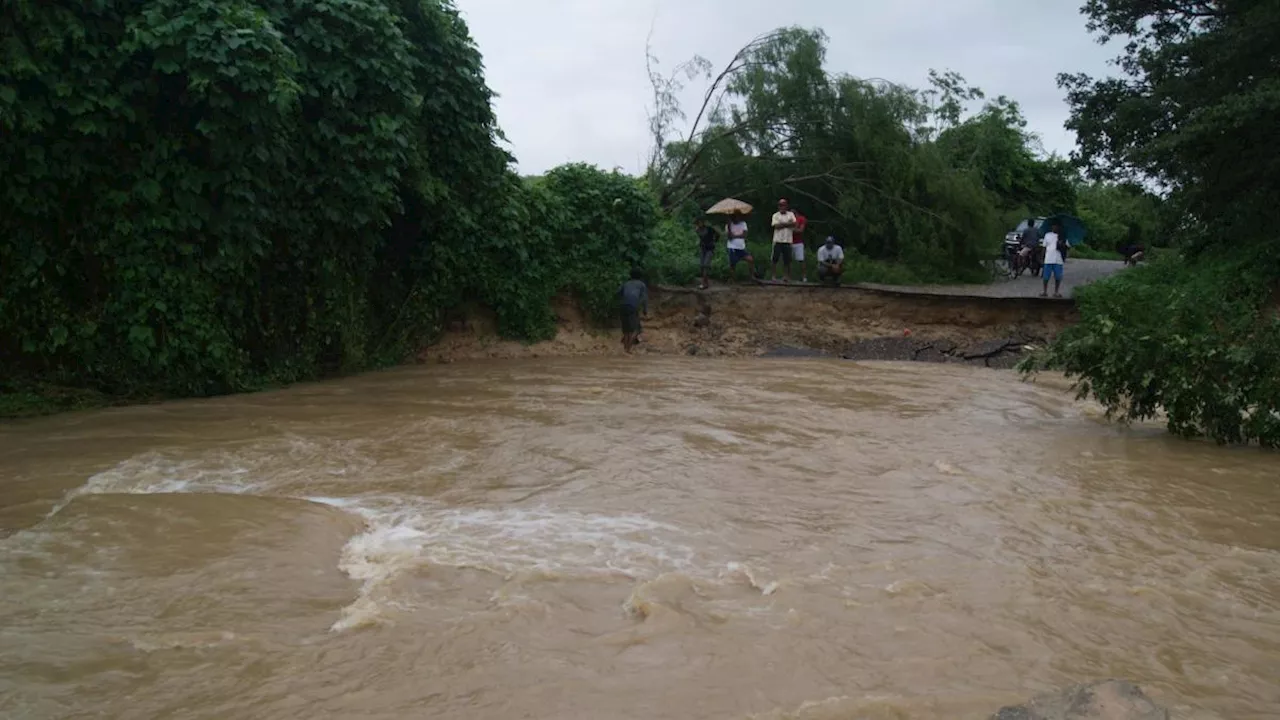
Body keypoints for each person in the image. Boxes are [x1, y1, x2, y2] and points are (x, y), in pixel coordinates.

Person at [619, 268, 648, 353]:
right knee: (636, 329)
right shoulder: (641, 285)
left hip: (623, 306)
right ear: (640, 276)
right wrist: (645, 310)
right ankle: (628, 350)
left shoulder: (626, 284)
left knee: (626, 330)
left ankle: (625, 349)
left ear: (630, 276)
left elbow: (618, 293)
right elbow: (644, 298)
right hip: (632, 307)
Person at [770, 198, 797, 282]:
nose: (782, 207)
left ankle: (786, 276)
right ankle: (773, 276)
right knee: (775, 259)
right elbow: (776, 226)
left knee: (787, 260)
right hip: (777, 240)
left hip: (787, 240)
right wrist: (787, 224)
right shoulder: (775, 215)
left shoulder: (791, 214)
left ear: (786, 206)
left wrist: (782, 224)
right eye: (780, 205)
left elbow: (794, 224)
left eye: (783, 205)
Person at [725, 215, 754, 282]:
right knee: (733, 264)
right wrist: (729, 227)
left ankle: (751, 277)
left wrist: (734, 235)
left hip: (741, 247)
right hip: (732, 247)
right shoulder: (728, 225)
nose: (737, 218)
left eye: (738, 216)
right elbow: (729, 237)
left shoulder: (743, 223)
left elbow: (744, 235)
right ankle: (733, 279)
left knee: (750, 259)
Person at [1040, 222, 1066, 298]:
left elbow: (1066, 247)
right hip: (1048, 258)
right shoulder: (1047, 235)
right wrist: (1042, 258)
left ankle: (1056, 291)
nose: (1054, 227)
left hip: (1058, 259)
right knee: (1045, 277)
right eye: (1053, 226)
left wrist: (1062, 243)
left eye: (1056, 226)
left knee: (1058, 277)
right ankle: (1044, 291)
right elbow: (1044, 247)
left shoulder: (1062, 236)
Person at [694, 218, 718, 289]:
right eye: (698, 223)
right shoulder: (698, 230)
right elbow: (701, 238)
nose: (699, 224)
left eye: (700, 222)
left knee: (705, 265)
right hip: (703, 249)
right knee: (702, 266)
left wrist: (714, 241)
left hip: (710, 249)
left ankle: (704, 283)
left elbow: (717, 234)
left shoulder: (709, 229)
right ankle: (706, 282)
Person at [791, 207, 808, 282]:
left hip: (798, 242)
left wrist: (791, 230)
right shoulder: (788, 219)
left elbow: (801, 230)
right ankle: (788, 276)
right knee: (787, 260)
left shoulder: (801, 219)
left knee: (801, 260)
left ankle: (804, 277)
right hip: (789, 241)